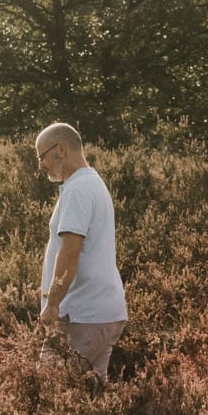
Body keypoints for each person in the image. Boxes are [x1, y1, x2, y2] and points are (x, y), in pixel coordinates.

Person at [36, 121, 127, 384]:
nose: (41, 164)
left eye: (41, 156)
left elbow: (70, 251)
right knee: (90, 394)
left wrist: (52, 304)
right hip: (102, 312)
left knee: (51, 388)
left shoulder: (78, 189)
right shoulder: (92, 183)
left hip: (82, 315)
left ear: (61, 149)